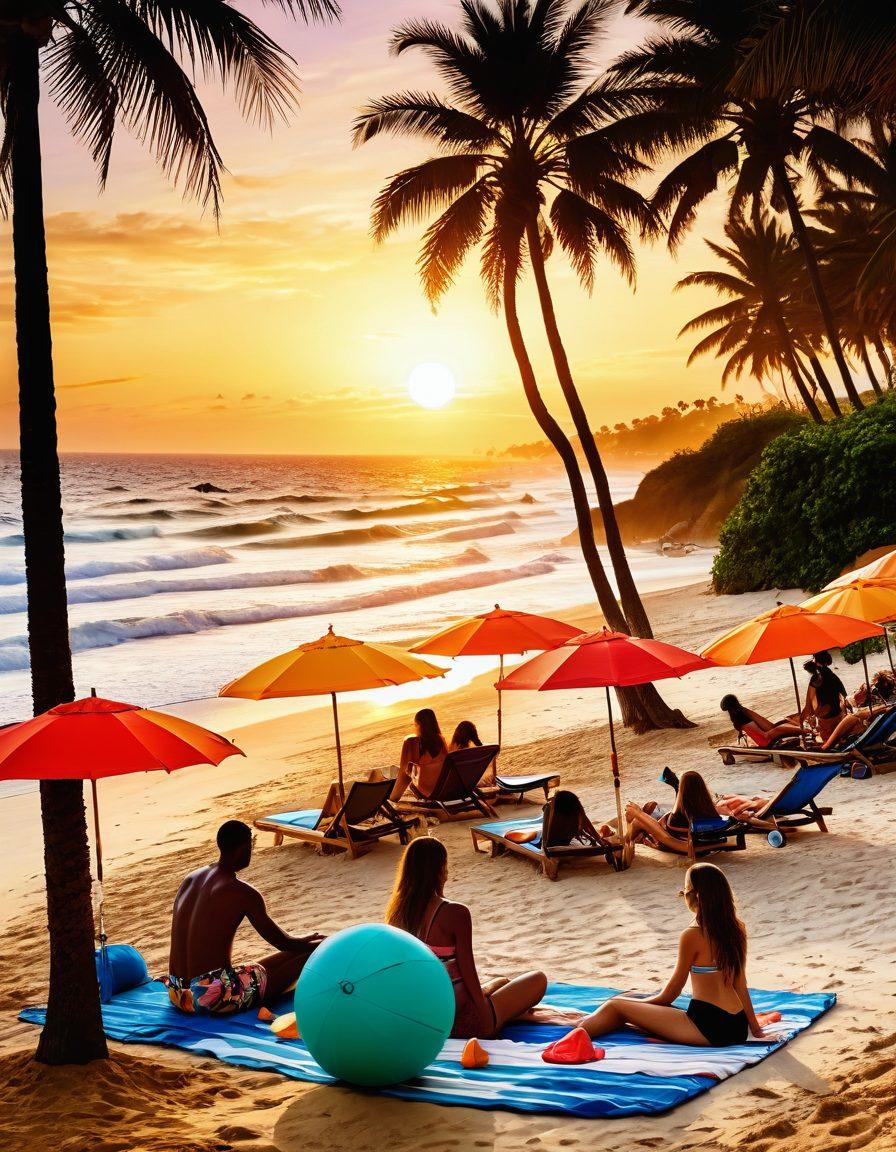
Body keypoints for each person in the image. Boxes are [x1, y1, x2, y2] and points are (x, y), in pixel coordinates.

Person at [568, 863, 765, 1047]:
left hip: (708, 1027)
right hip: (737, 1026)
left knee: (615, 1006)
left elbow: (670, 994)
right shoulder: (736, 929)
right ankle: (594, 1023)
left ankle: (569, 1040)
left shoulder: (692, 935)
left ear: (696, 896)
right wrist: (755, 1029)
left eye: (685, 889)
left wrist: (630, 1006)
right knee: (631, 1003)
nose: (683, 893)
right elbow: (740, 984)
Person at [385, 837, 551, 1038]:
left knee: (501, 981)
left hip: (422, 1018)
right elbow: (468, 971)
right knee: (538, 980)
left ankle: (498, 1004)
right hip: (460, 1020)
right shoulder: (455, 913)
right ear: (440, 870)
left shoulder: (396, 915)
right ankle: (499, 1015)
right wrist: (485, 1020)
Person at [166, 820, 323, 1015]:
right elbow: (283, 943)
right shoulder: (242, 892)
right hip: (209, 998)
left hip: (176, 991)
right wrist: (316, 946)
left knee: (261, 967)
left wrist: (300, 940)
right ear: (243, 848)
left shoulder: (190, 879)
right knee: (309, 955)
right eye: (251, 845)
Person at [389, 708, 448, 802]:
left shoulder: (412, 742)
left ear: (418, 724)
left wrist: (393, 798)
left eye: (415, 724)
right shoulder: (441, 740)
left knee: (404, 773)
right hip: (442, 788)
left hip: (427, 791)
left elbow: (404, 775)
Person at [720, 694, 802, 747]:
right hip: (767, 741)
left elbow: (744, 727)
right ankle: (803, 730)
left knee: (782, 724)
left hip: (763, 742)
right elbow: (766, 734)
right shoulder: (744, 713)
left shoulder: (737, 719)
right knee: (780, 726)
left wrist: (740, 732)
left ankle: (801, 728)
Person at [801, 657, 848, 741]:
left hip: (826, 720)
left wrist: (801, 722)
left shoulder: (816, 679)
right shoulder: (834, 676)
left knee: (825, 739)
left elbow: (808, 706)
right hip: (838, 716)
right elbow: (844, 696)